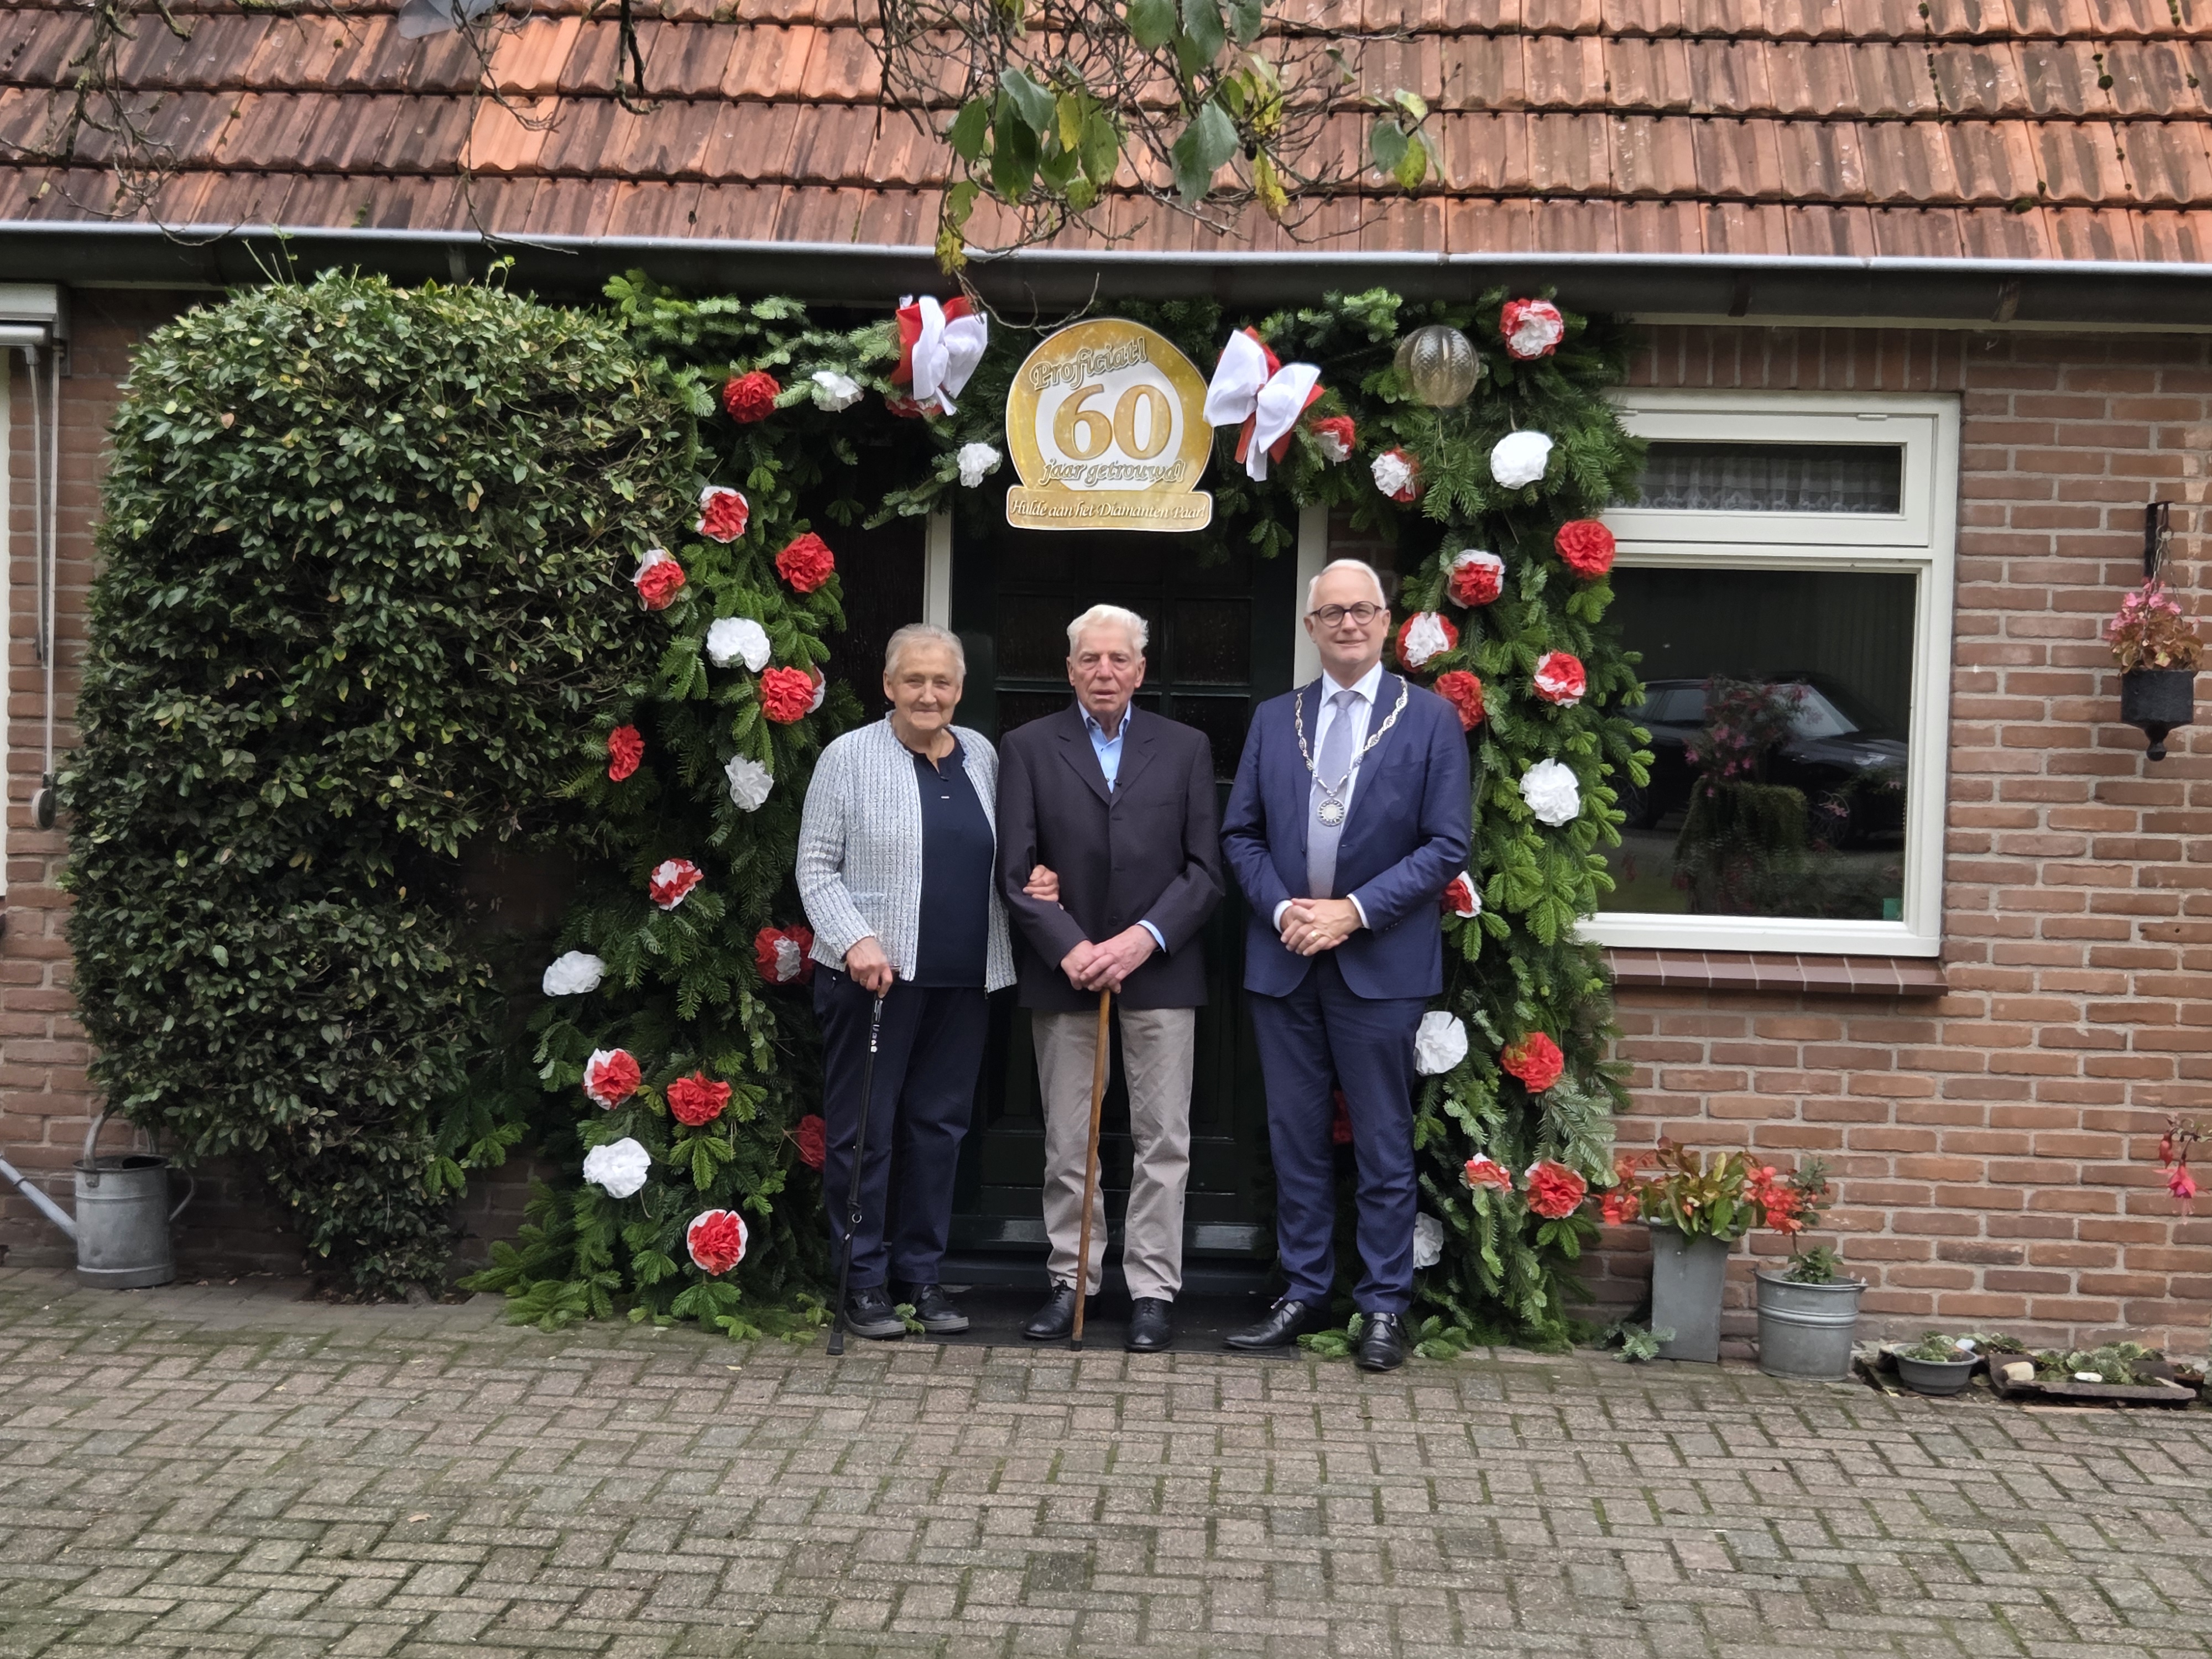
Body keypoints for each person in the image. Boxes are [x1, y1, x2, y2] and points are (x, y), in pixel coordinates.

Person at [1219, 559, 1471, 1371]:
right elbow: (1241, 835)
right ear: (1311, 628)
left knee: (1382, 1144)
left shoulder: (1428, 720)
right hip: (1285, 957)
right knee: (1295, 1139)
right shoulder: (1274, 719)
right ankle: (1301, 1292)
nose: (1349, 624)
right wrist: (1287, 911)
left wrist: (1351, 913)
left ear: (1388, 620)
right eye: (1332, 613)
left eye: (1363, 610)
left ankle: (1385, 1306)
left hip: (1379, 962)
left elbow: (1446, 844)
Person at [996, 604, 1223, 1354]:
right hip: (1066, 975)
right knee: (1070, 1139)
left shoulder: (1185, 748)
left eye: (1118, 659)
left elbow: (1205, 872)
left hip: (1159, 971)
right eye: (1090, 660)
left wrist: (1138, 941)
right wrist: (1070, 947)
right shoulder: (1027, 748)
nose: (1104, 672)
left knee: (1164, 1141)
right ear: (1069, 670)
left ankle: (1153, 1289)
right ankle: (1073, 1281)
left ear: (1140, 669)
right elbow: (1016, 870)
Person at [797, 623, 1015, 1342]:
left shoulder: (981, 755)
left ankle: (920, 1276)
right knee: (866, 1135)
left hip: (964, 980)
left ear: (960, 689)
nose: (929, 694)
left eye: (942, 682)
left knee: (939, 1132)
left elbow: (1002, 856)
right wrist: (855, 939)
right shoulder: (848, 758)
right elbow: (816, 867)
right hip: (875, 980)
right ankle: (862, 1280)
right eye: (914, 681)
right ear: (889, 686)